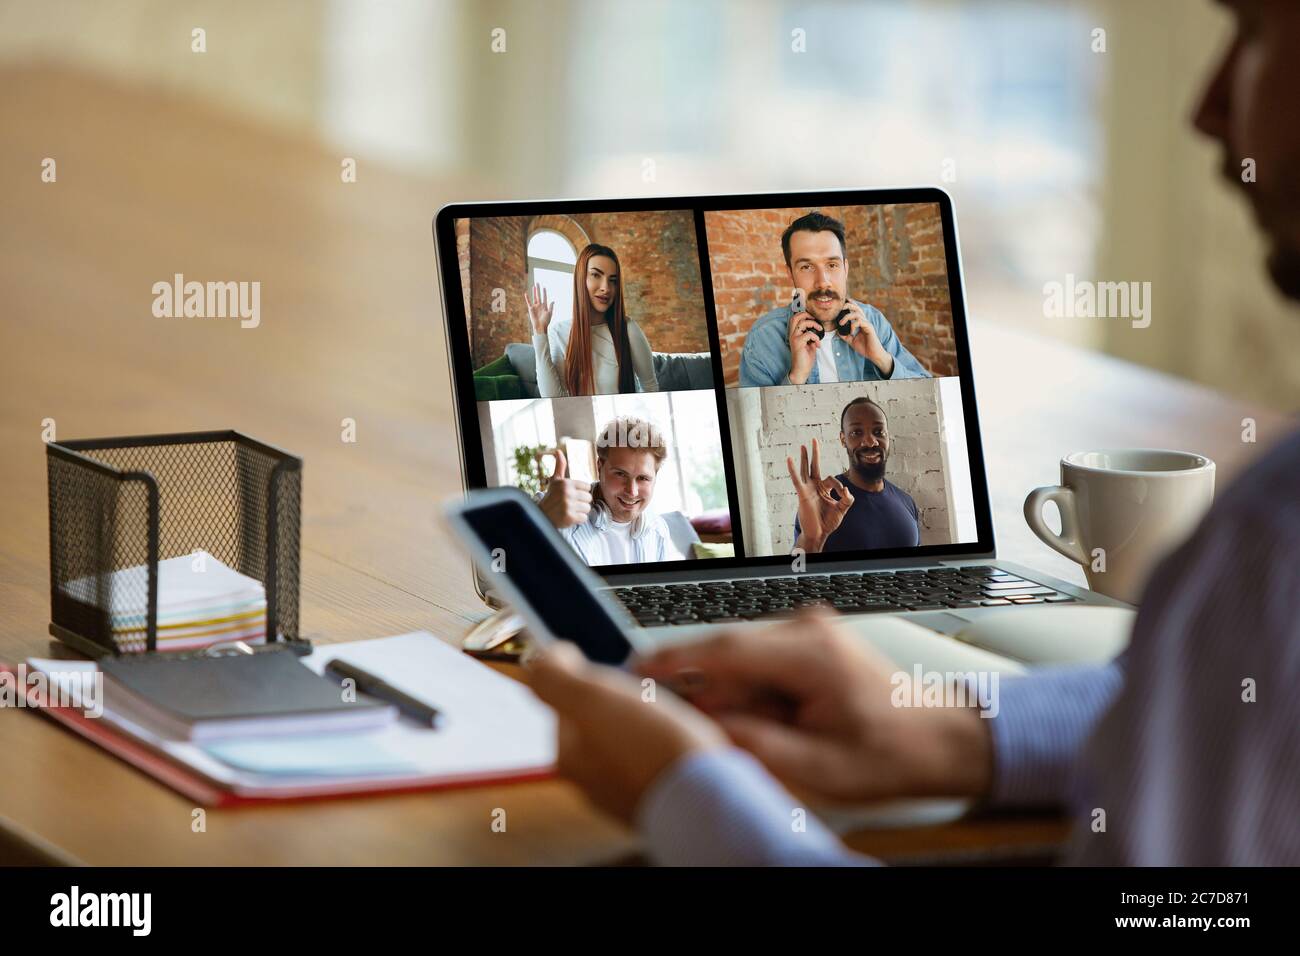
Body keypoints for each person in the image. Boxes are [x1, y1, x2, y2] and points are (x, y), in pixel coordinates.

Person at [525, 0, 1300, 866]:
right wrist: (957, 731)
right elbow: (1237, 718)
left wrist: (689, 793)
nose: (1204, 105)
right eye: (808, 267)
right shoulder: (769, 341)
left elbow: (923, 398)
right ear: (789, 276)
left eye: (1259, 31)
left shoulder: (1273, 545)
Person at [737, 212, 931, 387]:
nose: (823, 283)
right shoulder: (762, 338)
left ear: (845, 269)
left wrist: (882, 360)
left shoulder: (874, 321)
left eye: (832, 265)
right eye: (806, 267)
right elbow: (756, 425)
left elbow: (928, 393)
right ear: (790, 274)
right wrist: (795, 378)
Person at [536, 415, 682, 566]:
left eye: (643, 478)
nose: (632, 492)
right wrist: (541, 522)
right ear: (599, 467)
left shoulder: (658, 530)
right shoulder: (551, 508)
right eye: (620, 474)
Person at [788, 397, 920, 554]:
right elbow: (797, 570)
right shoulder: (822, 501)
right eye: (857, 432)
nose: (871, 442)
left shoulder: (907, 502)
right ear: (843, 439)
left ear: (888, 437)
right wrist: (811, 540)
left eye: (879, 432)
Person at [526, 244, 659, 397]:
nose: (606, 288)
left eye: (613, 280)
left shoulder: (628, 329)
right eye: (596, 275)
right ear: (581, 279)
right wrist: (539, 331)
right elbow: (553, 399)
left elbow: (650, 387)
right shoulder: (559, 332)